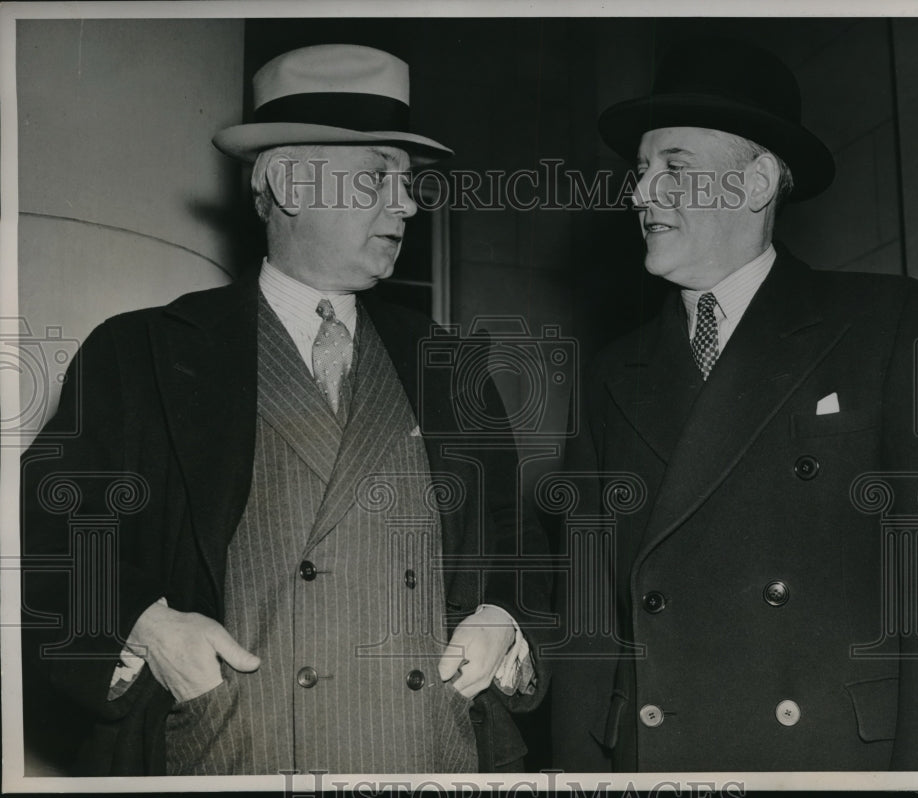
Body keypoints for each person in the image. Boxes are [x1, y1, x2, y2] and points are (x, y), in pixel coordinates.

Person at [21, 44, 548, 776]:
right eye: (379, 176)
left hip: (428, 754)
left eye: (409, 183)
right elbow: (48, 531)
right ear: (291, 184)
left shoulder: (450, 364)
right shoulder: (141, 352)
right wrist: (147, 625)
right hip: (229, 756)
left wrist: (504, 620)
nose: (407, 203)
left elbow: (523, 543)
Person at [548, 37, 918, 773]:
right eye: (641, 170)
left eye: (674, 168)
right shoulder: (611, 374)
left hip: (831, 764)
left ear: (754, 184)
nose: (641, 193)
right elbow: (587, 623)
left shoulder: (892, 323)